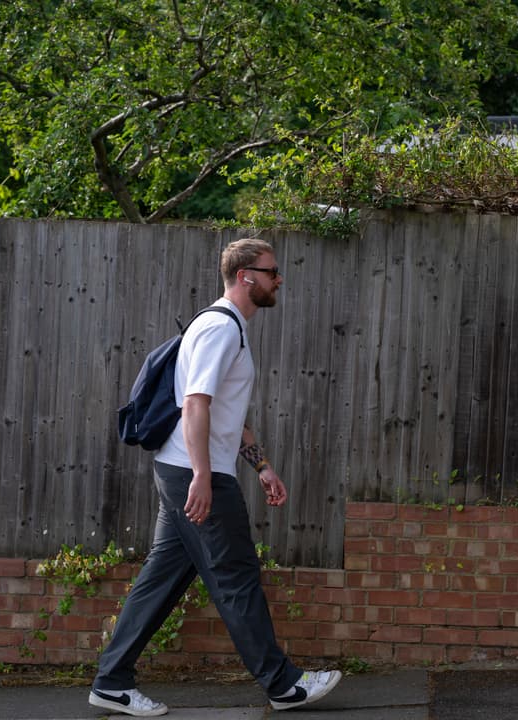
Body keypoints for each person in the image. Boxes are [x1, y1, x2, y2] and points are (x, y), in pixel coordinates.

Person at [89, 239, 342, 717]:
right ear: (246, 276)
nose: (278, 279)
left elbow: (227, 413)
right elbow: (196, 404)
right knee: (236, 576)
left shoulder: (228, 328)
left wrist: (262, 466)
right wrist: (203, 475)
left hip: (186, 468)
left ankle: (111, 681)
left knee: (162, 579)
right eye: (272, 271)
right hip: (194, 471)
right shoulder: (221, 328)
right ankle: (283, 684)